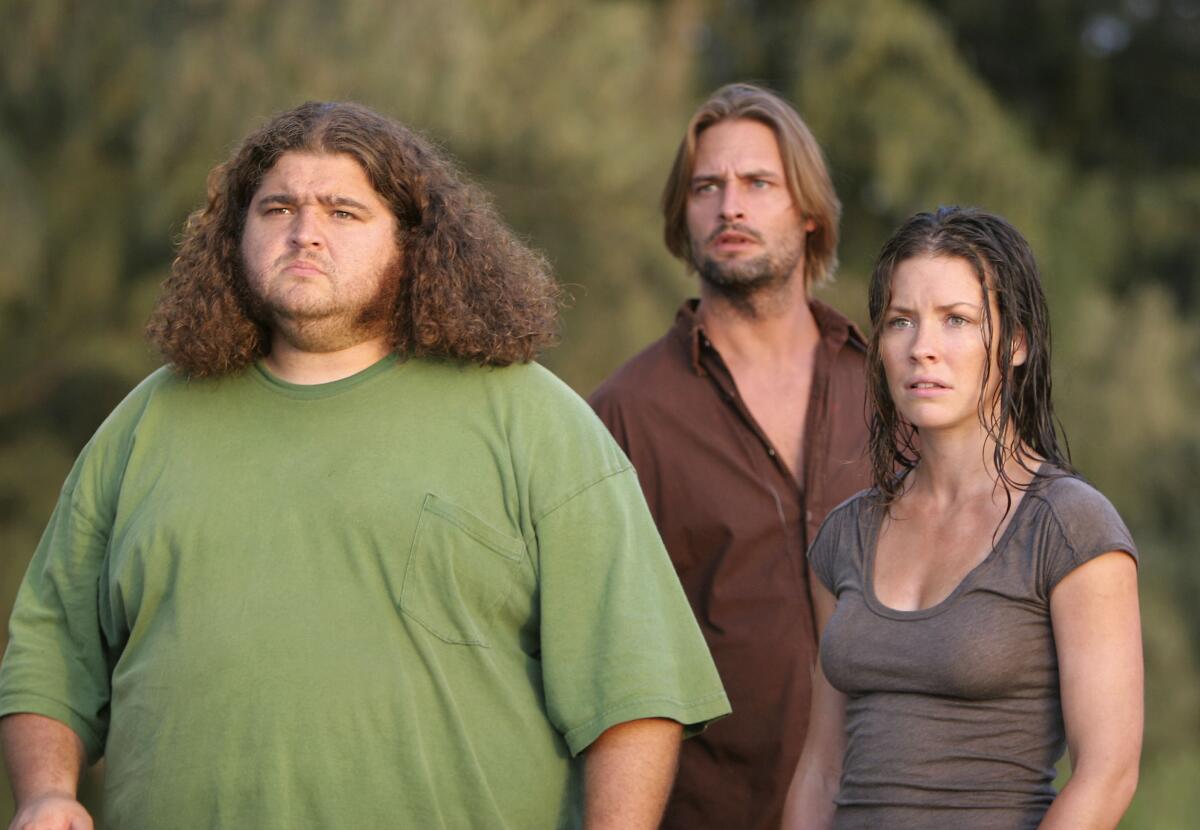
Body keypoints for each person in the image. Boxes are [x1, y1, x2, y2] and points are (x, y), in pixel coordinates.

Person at [0, 101, 731, 830]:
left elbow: (634, 689)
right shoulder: (146, 424)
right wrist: (45, 793)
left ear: (414, 244)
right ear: (235, 236)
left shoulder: (530, 419)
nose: (304, 232)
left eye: (343, 211)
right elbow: (50, 646)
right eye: (277, 207)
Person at [784, 207, 1142, 829]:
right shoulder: (844, 536)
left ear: (1015, 344)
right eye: (902, 321)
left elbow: (1106, 773)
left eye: (957, 320)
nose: (923, 348)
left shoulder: (1070, 527)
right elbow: (822, 767)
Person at [589, 83, 871, 828]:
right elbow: (599, 648)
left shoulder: (889, 391)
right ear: (684, 217)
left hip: (893, 801)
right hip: (711, 809)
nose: (730, 207)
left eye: (758, 184)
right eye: (706, 187)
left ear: (809, 211)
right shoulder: (625, 412)